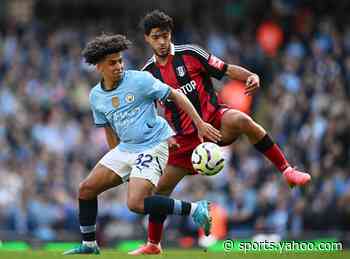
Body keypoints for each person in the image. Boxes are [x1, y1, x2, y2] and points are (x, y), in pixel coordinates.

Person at [129, 10, 311, 255]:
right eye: (156, 37)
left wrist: (250, 75)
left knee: (242, 119)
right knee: (159, 193)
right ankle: (153, 243)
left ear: (170, 34)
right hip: (182, 140)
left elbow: (225, 69)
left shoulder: (191, 54)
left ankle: (287, 170)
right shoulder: (146, 74)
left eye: (165, 35)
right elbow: (147, 113)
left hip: (215, 122)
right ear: (147, 39)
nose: (162, 41)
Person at [63, 34, 222, 255]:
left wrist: (199, 123)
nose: (118, 66)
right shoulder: (95, 97)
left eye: (120, 60)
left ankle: (196, 209)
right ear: (98, 66)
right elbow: (108, 128)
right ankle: (89, 245)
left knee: (136, 203)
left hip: (153, 144)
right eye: (112, 63)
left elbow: (175, 95)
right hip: (125, 148)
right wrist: (117, 162)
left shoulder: (139, 80)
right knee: (86, 189)